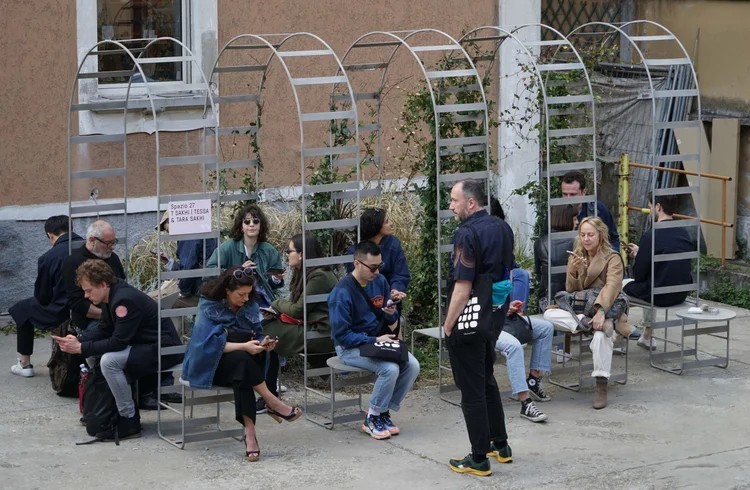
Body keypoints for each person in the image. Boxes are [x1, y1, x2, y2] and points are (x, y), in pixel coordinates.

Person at [181, 266, 302, 462]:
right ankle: (271, 401)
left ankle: (250, 433)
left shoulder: (249, 304)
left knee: (245, 366)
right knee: (243, 361)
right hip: (209, 365)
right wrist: (244, 346)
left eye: (248, 293)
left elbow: (257, 333)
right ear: (227, 291)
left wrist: (264, 343)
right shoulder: (208, 304)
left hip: (240, 366)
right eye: (241, 294)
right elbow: (206, 345)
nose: (245, 298)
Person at [53, 260, 183, 440]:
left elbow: (118, 342)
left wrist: (81, 347)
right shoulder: (112, 294)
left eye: (88, 290)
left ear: (103, 284)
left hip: (164, 350)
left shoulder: (123, 300)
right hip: (147, 345)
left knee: (109, 361)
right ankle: (104, 411)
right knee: (98, 357)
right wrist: (78, 340)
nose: (86, 296)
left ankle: (128, 419)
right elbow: (105, 328)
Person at [443, 180, 514, 477]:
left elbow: (463, 286)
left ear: (470, 202)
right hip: (494, 314)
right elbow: (509, 271)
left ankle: (478, 458)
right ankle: (501, 444)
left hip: (470, 317)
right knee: (486, 378)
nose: (451, 206)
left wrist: (448, 326)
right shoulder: (502, 227)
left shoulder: (466, 233)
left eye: (454, 200)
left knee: (471, 389)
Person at [328, 240, 420, 441]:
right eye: (372, 268)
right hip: (350, 347)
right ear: (357, 263)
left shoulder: (380, 281)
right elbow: (341, 335)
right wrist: (374, 339)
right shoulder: (341, 293)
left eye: (380, 266)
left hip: (377, 341)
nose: (377, 272)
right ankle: (372, 417)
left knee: (412, 365)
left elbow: (388, 318)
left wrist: (390, 313)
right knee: (390, 369)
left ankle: (382, 412)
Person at [558, 216, 628, 409]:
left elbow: (612, 287)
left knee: (600, 338)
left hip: (604, 307)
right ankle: (586, 323)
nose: (586, 239)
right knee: (549, 315)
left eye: (590, 235)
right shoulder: (577, 256)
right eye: (583, 235)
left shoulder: (612, 258)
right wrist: (573, 272)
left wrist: (601, 311)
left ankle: (601, 385)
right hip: (582, 311)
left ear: (600, 235)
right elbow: (571, 291)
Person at [10, 215, 84, 377]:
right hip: (91, 303)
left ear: (50, 235)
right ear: (71, 229)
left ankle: (24, 363)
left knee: (21, 309)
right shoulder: (88, 246)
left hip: (63, 309)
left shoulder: (49, 257)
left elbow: (42, 296)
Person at [624, 195, 694, 350]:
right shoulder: (684, 232)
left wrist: (638, 257)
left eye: (650, 206)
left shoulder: (651, 235)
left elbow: (639, 275)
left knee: (619, 286)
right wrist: (642, 253)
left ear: (658, 207)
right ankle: (647, 336)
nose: (649, 210)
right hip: (680, 293)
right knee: (654, 281)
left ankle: (617, 338)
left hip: (659, 296)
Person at [262, 233, 336, 361]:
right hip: (313, 324)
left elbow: (298, 310)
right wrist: (275, 312)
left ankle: (267, 371)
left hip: (324, 331)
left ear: (301, 254)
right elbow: (296, 306)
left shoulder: (319, 276)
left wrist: (276, 303)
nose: (287, 255)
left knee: (269, 331)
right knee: (267, 325)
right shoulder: (305, 272)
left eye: (289, 251)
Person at [495, 268, 555, 423]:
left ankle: (533, 381)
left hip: (506, 320)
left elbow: (501, 301)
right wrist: (502, 310)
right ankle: (525, 403)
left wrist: (511, 306)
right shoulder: (477, 270)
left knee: (546, 328)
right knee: (514, 347)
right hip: (487, 323)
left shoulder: (504, 269)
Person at [206, 204, 284, 308]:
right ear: (241, 226)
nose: (251, 225)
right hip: (232, 302)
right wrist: (238, 271)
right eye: (247, 222)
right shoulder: (227, 247)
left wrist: (276, 278)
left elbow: (272, 287)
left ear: (261, 226)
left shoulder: (269, 250)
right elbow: (209, 272)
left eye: (255, 221)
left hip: (262, 302)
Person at [62, 220, 126, 330]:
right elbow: (77, 302)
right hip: (91, 319)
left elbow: (122, 287)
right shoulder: (73, 262)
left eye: (114, 242)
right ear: (92, 240)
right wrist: (107, 315)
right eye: (108, 243)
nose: (112, 247)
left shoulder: (113, 258)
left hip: (116, 312)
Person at [346, 207, 410, 302]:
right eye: (386, 222)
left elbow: (400, 273)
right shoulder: (355, 251)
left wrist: (396, 289)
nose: (391, 224)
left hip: (390, 299)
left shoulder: (393, 244)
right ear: (376, 226)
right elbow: (355, 280)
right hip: (365, 301)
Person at [157, 210, 218, 308]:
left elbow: (188, 269)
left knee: (159, 303)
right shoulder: (198, 230)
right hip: (208, 289)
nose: (169, 233)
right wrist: (169, 261)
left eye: (167, 229)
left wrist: (184, 291)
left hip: (202, 293)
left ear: (173, 221)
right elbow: (189, 266)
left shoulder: (189, 235)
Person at [561, 171, 620, 252]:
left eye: (573, 194)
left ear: (584, 192)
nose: (568, 198)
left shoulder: (599, 209)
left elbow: (613, 239)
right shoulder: (554, 214)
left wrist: (608, 257)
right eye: (564, 194)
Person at [534, 204, 579, 310]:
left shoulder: (540, 243)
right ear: (566, 220)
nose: (577, 222)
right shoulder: (578, 242)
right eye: (574, 219)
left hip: (548, 299)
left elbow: (539, 274)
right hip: (574, 299)